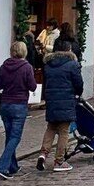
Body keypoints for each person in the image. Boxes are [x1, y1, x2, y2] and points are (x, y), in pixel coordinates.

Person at [37, 37, 83, 173]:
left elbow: (46, 83)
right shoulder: (72, 64)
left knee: (50, 128)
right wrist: (77, 94)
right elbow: (78, 84)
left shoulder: (48, 64)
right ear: (68, 49)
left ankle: (43, 154)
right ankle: (59, 161)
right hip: (66, 100)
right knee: (63, 131)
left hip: (51, 100)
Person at [0, 40, 37, 179]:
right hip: (19, 105)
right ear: (24, 52)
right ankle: (2, 166)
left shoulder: (4, 66)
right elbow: (32, 86)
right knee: (15, 137)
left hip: (5, 104)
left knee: (9, 136)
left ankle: (12, 166)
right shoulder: (26, 67)